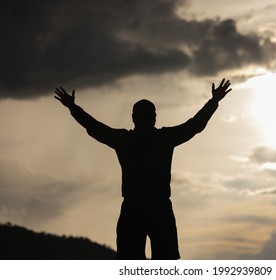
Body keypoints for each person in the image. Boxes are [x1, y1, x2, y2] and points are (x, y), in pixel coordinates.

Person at [54, 79, 232, 259]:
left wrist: (73, 107)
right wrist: (213, 101)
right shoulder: (164, 138)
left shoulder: (124, 140)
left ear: (133, 117)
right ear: (154, 117)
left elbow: (93, 126)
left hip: (134, 208)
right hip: (159, 208)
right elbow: (195, 126)